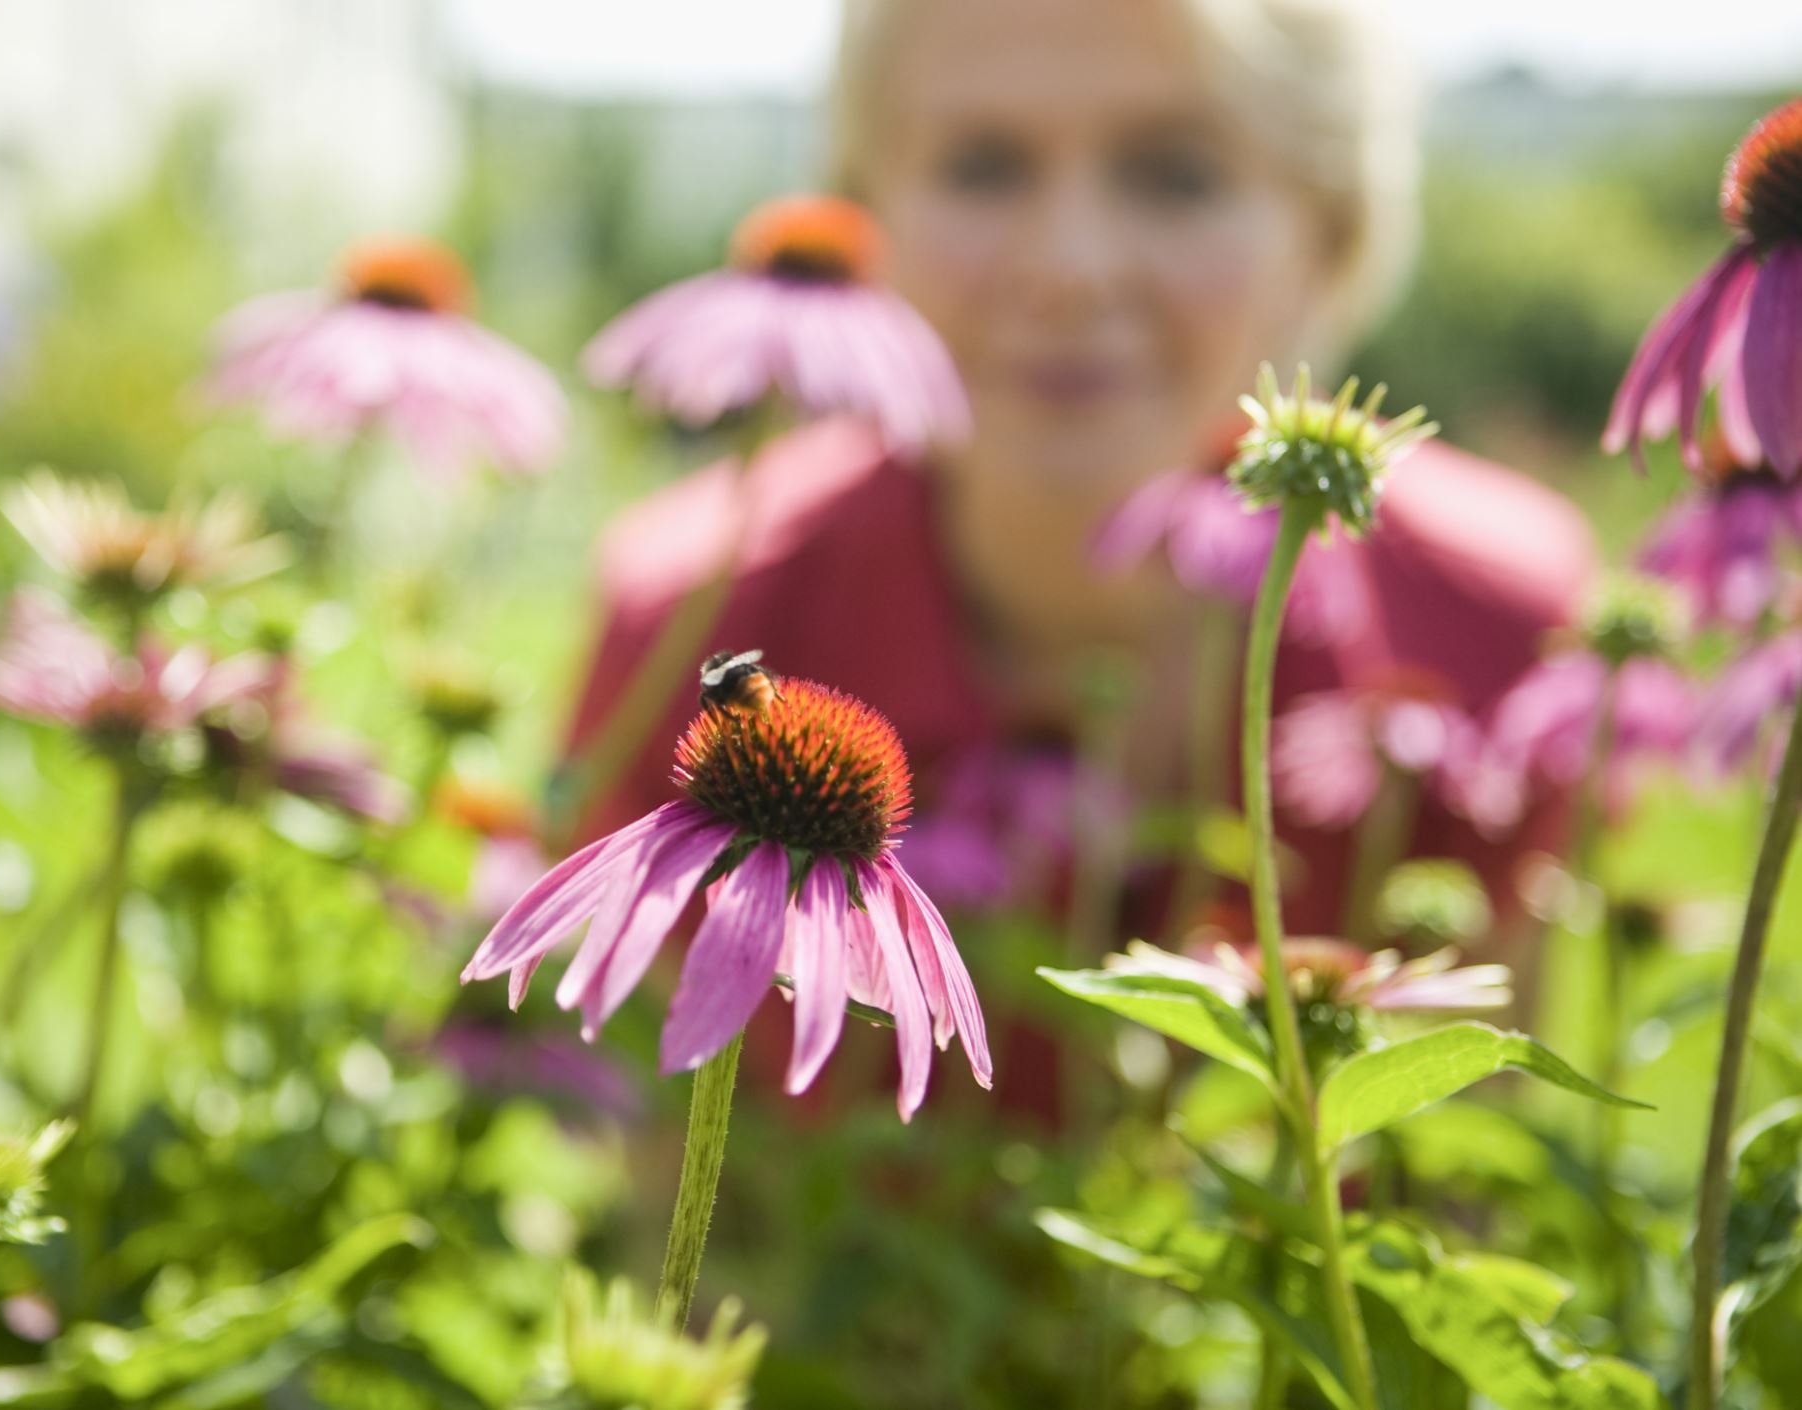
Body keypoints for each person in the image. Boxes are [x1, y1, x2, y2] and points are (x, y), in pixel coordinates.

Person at [563, 0, 1593, 1044]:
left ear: (1328, 237)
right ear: (863, 217)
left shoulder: (1503, 631)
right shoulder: (690, 617)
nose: (1069, 268)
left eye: (1175, 175)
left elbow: (1480, 1164)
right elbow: (655, 1154)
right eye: (984, 166)